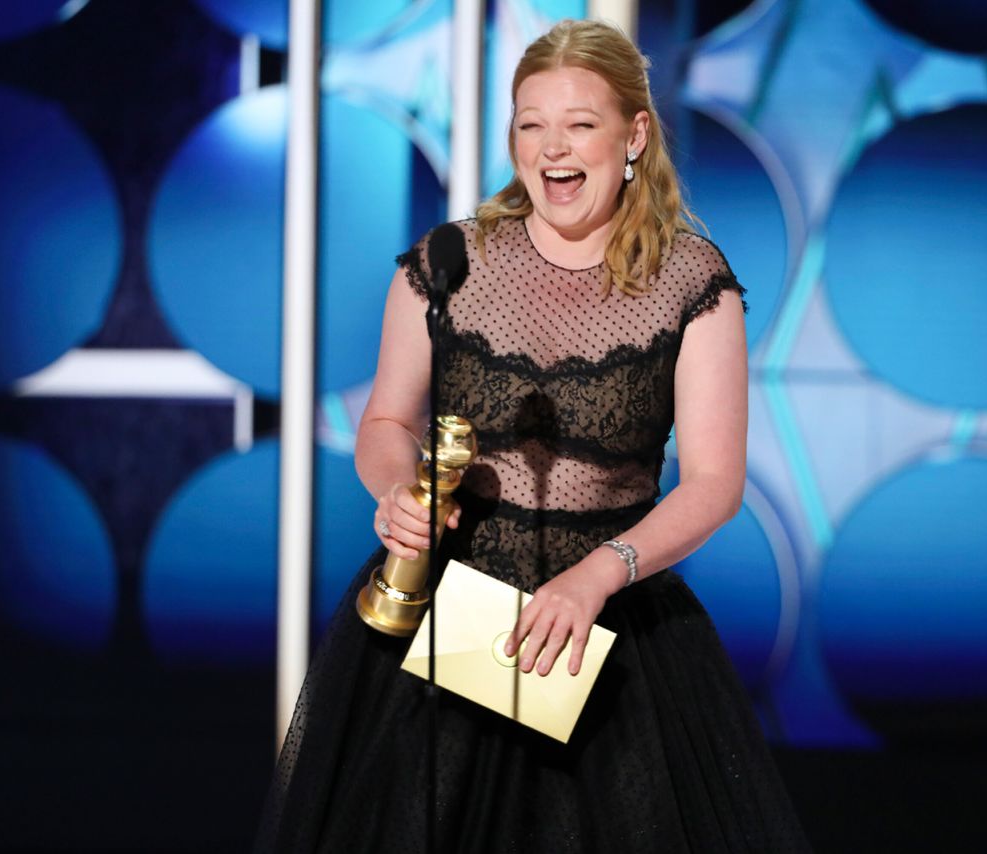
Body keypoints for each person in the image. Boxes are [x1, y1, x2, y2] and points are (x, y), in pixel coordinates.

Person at [257, 19, 810, 853]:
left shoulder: (692, 283)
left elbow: (712, 485)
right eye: (530, 123)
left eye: (580, 124)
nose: (553, 147)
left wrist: (598, 577)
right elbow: (385, 422)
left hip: (607, 629)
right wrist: (397, 491)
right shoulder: (447, 263)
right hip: (446, 618)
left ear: (635, 134)